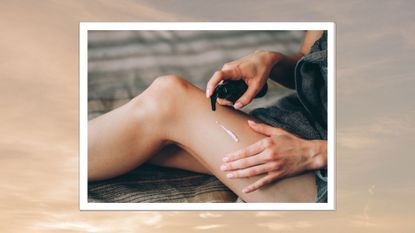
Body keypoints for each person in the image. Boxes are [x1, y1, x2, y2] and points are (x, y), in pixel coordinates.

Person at [88, 30, 328, 203]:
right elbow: (309, 59)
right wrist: (271, 61)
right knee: (140, 138)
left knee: (168, 98)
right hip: (302, 120)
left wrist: (315, 153)